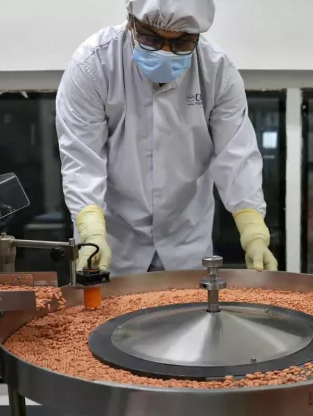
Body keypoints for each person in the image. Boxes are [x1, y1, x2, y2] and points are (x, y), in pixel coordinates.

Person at [55, 0, 277, 275]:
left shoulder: (217, 71)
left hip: (186, 238)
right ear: (130, 20)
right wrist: (91, 232)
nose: (165, 53)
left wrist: (253, 230)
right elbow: (82, 158)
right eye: (151, 38)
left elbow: (237, 155)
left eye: (182, 43)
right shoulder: (93, 65)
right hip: (113, 238)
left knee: (190, 315)